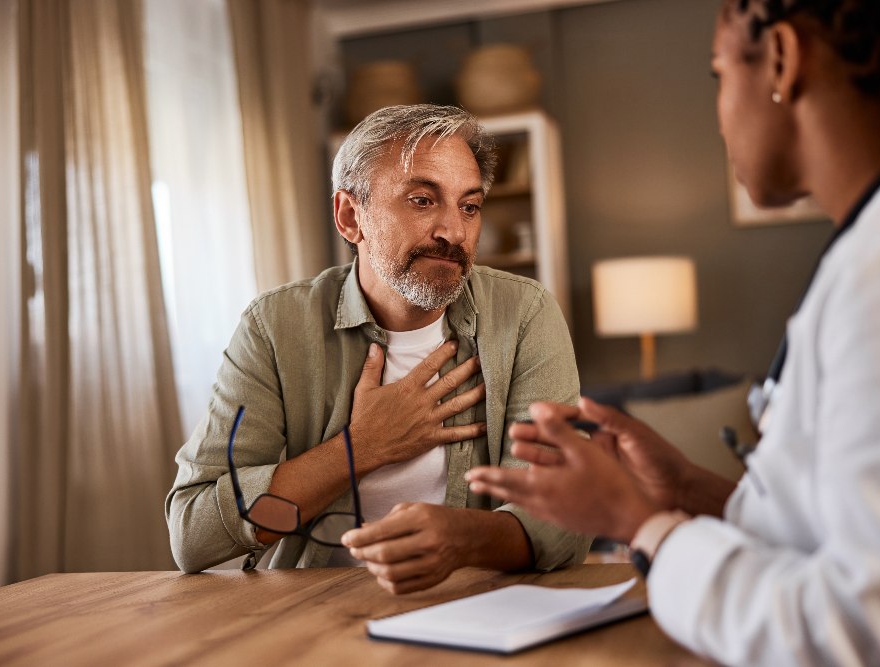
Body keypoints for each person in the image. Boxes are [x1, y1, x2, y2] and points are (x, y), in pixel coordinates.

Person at [467, 0, 880, 663]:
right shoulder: (873, 248)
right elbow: (835, 539)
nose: (719, 111)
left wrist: (640, 524)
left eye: (717, 74)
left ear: (782, 60)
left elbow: (866, 628)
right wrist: (685, 490)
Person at [166, 104, 590, 594]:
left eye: (469, 206)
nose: (454, 232)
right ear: (351, 216)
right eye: (421, 200)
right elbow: (192, 533)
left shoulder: (525, 315)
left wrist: (462, 540)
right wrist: (359, 448)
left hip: (478, 606)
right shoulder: (275, 328)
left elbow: (565, 515)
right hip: (314, 610)